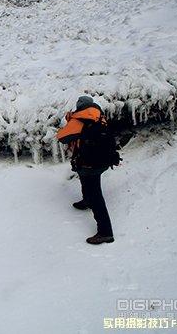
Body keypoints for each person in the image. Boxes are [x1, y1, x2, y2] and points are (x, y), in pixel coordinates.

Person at [57, 96, 114, 245]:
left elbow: (62, 137)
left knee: (96, 196)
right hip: (101, 161)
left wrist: (70, 121)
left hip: (88, 162)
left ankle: (105, 232)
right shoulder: (99, 117)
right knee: (87, 181)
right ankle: (87, 201)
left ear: (79, 106)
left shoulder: (79, 119)